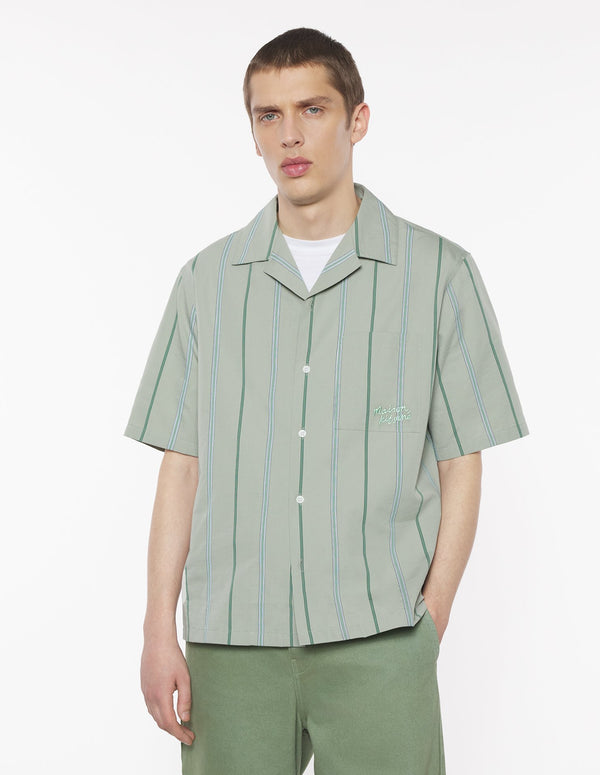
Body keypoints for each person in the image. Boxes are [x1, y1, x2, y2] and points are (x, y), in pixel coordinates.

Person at [123, 27, 529, 775]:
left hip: (381, 639)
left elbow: (461, 461)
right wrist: (157, 630)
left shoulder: (439, 274)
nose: (291, 134)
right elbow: (181, 465)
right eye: (269, 115)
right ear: (252, 131)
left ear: (357, 120)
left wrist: (429, 620)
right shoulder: (206, 283)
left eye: (312, 108)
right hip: (230, 644)